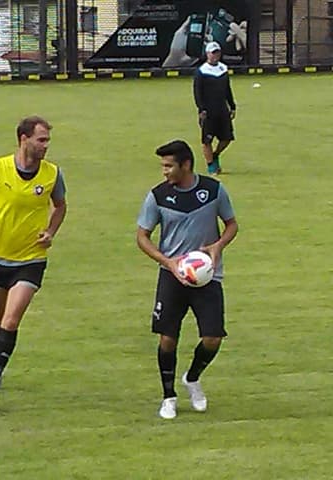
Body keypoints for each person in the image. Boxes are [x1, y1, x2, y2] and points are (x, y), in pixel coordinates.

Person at [0, 116, 67, 414]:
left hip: (30, 259)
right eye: (41, 140)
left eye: (48, 140)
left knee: (10, 321)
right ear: (23, 139)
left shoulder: (52, 174)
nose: (46, 146)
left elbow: (60, 206)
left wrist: (51, 231)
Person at [136, 139, 238, 420]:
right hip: (172, 276)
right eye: (163, 166)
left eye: (169, 166)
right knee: (167, 338)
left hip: (207, 276)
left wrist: (217, 247)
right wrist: (167, 261)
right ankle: (168, 396)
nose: (164, 172)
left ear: (186, 165)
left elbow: (231, 224)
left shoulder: (213, 190)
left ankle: (192, 378)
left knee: (213, 338)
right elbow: (142, 236)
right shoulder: (157, 196)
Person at [193, 41, 237, 175]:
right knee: (207, 140)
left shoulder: (223, 69)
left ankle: (215, 155)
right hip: (208, 111)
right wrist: (201, 109)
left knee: (227, 138)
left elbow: (227, 89)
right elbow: (197, 92)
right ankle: (211, 164)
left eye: (217, 52)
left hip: (222, 109)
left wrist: (232, 105)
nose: (215, 55)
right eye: (213, 53)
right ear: (207, 54)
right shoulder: (201, 71)